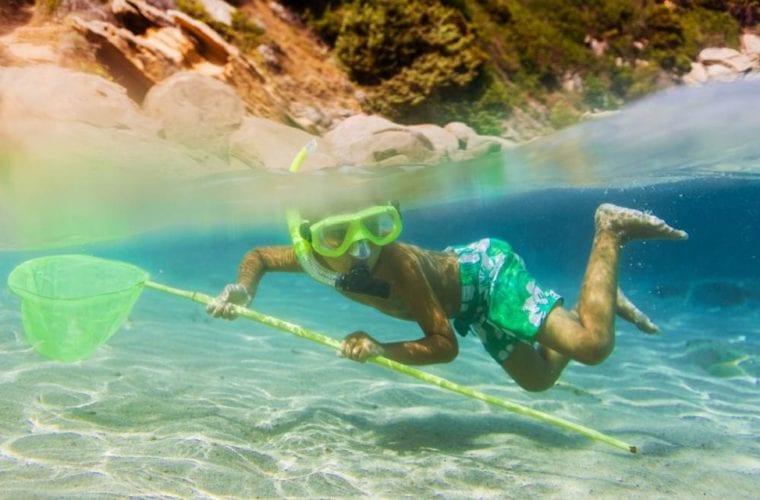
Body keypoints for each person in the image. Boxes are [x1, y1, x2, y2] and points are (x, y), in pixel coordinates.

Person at [207, 202, 687, 392]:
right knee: (538, 379)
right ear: (312, 243)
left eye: (374, 230)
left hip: (486, 275)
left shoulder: (397, 262)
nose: (360, 249)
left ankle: (609, 232)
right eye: (337, 236)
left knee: (591, 347)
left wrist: (379, 349)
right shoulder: (307, 259)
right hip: (471, 307)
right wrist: (243, 291)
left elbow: (444, 344)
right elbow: (259, 257)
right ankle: (593, 299)